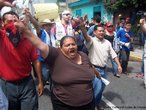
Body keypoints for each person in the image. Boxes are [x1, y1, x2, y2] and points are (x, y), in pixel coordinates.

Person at [14, 18, 100, 109]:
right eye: (67, 45)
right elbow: (40, 44)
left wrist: (97, 73)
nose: (71, 46)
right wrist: (24, 30)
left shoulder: (83, 55)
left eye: (73, 44)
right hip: (64, 104)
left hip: (88, 103)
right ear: (61, 48)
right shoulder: (56, 55)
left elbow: (89, 66)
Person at [0, 11, 44, 110]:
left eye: (15, 21)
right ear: (3, 24)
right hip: (7, 86)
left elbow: (36, 61)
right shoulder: (1, 37)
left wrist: (40, 81)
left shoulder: (28, 39)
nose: (13, 24)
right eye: (9, 21)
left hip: (26, 84)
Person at [80, 24, 122, 108]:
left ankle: (96, 103)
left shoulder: (107, 43)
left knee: (100, 90)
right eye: (99, 31)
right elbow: (86, 37)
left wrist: (119, 65)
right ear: (95, 32)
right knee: (98, 89)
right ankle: (92, 106)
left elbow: (113, 55)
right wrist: (83, 28)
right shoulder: (91, 41)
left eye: (103, 31)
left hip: (104, 70)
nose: (102, 32)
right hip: (94, 69)